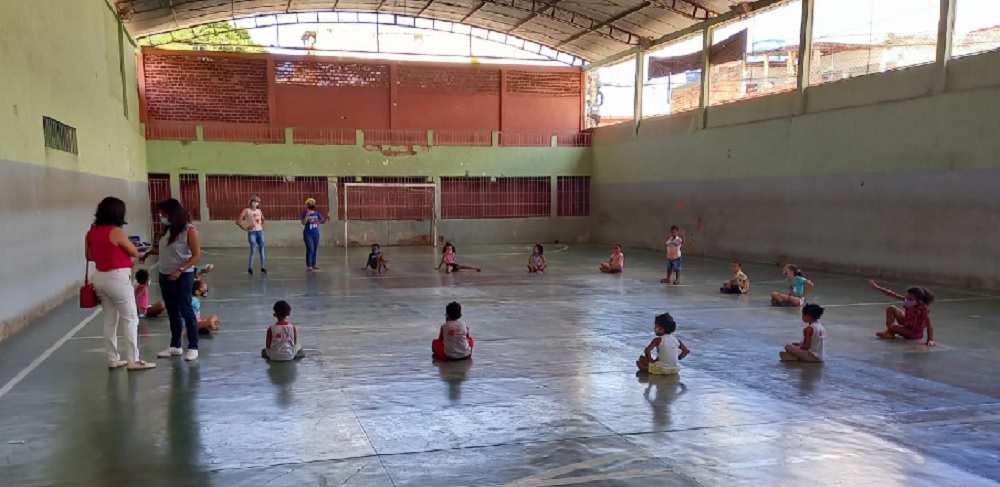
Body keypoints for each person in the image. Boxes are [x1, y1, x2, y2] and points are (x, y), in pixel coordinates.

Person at [85, 197, 156, 370]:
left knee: (110, 319)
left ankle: (113, 358)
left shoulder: (91, 232)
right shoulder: (116, 231)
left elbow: (89, 256)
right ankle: (133, 360)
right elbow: (133, 251)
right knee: (131, 318)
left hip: (100, 277)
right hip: (117, 278)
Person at [141, 198, 202, 361]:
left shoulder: (189, 230)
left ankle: (193, 346)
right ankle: (175, 346)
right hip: (165, 274)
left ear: (172, 213)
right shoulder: (167, 230)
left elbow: (196, 255)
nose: (161, 216)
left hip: (183, 275)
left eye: (163, 214)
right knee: (172, 311)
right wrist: (148, 252)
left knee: (186, 310)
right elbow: (165, 250)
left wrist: (179, 270)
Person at [870, 281, 936, 346]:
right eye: (906, 297)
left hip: (913, 332)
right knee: (891, 308)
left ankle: (890, 331)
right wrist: (877, 287)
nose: (907, 300)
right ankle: (890, 332)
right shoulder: (908, 301)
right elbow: (892, 294)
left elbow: (929, 324)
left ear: (918, 301)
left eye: (910, 299)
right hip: (907, 323)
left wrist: (930, 340)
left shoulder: (923, 309)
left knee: (894, 326)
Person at [236, 195, 266, 276]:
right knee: (253, 250)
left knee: (262, 250)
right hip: (252, 232)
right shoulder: (246, 210)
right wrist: (245, 228)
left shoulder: (259, 211)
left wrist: (261, 226)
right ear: (251, 201)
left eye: (257, 201)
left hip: (260, 231)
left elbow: (263, 219)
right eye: (254, 201)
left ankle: (263, 267)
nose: (256, 202)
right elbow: (238, 221)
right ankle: (250, 267)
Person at [301, 197, 326, 271]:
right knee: (310, 249)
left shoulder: (317, 213)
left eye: (313, 203)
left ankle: (314, 264)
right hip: (308, 234)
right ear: (307, 205)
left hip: (316, 233)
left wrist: (326, 218)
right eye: (311, 203)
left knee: (315, 249)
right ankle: (309, 265)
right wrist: (307, 215)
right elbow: (303, 223)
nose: (312, 205)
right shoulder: (304, 213)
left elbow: (322, 222)